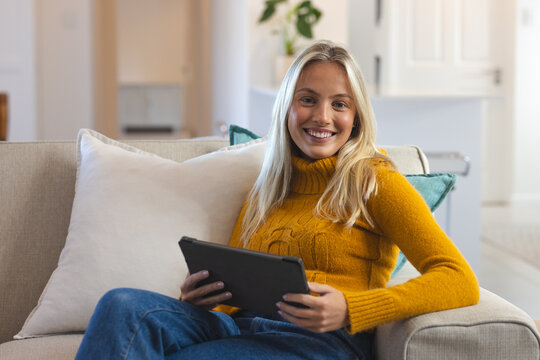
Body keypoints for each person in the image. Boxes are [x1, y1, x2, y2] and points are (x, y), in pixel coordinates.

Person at [75, 40, 479, 359]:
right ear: (287, 107)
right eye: (307, 99)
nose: (322, 116)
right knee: (122, 305)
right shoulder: (266, 187)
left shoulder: (375, 179)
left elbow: (458, 279)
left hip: (319, 344)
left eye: (339, 104)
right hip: (242, 328)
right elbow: (237, 290)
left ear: (355, 117)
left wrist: (353, 310)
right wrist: (200, 299)